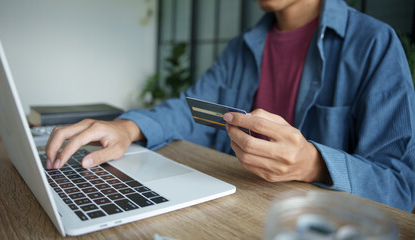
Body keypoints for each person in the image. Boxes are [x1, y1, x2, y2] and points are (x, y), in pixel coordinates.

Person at [45, 0, 415, 212]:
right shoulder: (244, 46)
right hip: (237, 211)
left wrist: (314, 164)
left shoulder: (373, 44)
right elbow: (193, 111)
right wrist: (128, 128)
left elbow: (402, 187)